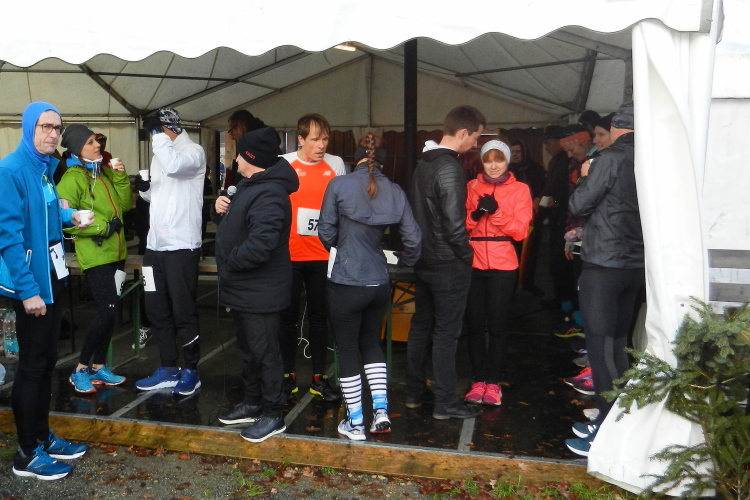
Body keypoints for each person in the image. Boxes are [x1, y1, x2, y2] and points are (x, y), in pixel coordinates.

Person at [0, 102, 90, 480]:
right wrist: (27, 290)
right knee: (33, 366)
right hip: (30, 282)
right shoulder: (11, 170)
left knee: (47, 360)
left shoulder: (44, 168)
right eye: (44, 127)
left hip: (51, 275)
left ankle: (41, 437)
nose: (52, 134)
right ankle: (27, 453)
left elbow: (45, 215)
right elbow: (8, 236)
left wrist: (70, 216)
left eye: (57, 127)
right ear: (28, 128)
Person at [318, 134, 421, 440]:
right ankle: (381, 413)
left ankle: (355, 422)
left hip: (347, 281)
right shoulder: (396, 191)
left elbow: (326, 232)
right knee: (371, 343)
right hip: (379, 281)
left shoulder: (338, 185)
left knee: (347, 347)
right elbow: (414, 238)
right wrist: (404, 261)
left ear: (356, 158)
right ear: (384, 162)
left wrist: (344, 247)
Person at [565, 102, 644, 456]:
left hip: (604, 264)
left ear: (615, 128)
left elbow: (578, 205)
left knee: (601, 349)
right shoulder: (651, 157)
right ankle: (619, 425)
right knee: (619, 345)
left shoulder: (610, 158)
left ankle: (607, 435)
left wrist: (585, 174)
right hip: (635, 265)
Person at [213, 127, 299, 443]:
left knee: (266, 353)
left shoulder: (270, 192)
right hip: (245, 288)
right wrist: (220, 211)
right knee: (249, 351)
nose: (235, 159)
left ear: (250, 157)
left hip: (260, 290)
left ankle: (273, 413)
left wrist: (229, 262)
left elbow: (262, 243)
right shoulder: (251, 186)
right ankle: (252, 403)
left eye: (239, 153)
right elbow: (240, 227)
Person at [406, 105, 485, 420]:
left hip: (423, 258)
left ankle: (414, 393)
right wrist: (466, 255)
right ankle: (445, 402)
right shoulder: (450, 167)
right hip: (447, 262)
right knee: (446, 333)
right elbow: (454, 224)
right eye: (475, 137)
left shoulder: (423, 163)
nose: (476, 144)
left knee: (421, 326)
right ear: (463, 132)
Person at [134, 108, 207, 396]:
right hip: (155, 246)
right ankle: (167, 366)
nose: (153, 136)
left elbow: (175, 167)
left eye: (156, 129)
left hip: (181, 247)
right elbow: (158, 194)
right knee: (156, 309)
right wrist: (144, 189)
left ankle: (191, 369)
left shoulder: (193, 152)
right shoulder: (160, 153)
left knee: (183, 310)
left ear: (168, 128)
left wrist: (157, 135)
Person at [57, 125, 133, 393]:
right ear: (78, 149)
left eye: (97, 140)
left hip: (116, 254)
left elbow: (125, 205)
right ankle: (80, 369)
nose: (97, 145)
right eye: (90, 142)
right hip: (96, 254)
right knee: (107, 310)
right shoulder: (72, 179)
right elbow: (64, 221)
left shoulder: (105, 173)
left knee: (110, 313)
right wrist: (102, 227)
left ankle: (99, 366)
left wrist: (121, 176)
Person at [279, 113, 346, 402]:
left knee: (320, 318)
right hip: (290, 256)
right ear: (301, 139)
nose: (321, 145)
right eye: (315, 139)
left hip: (322, 255)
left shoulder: (335, 164)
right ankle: (287, 377)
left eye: (325, 139)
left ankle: (319, 378)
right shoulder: (284, 164)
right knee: (287, 318)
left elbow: (343, 204)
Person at [463, 140, 532, 406]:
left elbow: (521, 232)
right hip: (474, 263)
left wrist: (497, 213)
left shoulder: (520, 189)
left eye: (499, 160)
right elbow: (462, 225)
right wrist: (476, 215)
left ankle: (493, 383)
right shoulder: (471, 187)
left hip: (503, 265)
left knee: (498, 326)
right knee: (474, 326)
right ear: (481, 162)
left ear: (507, 161)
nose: (493, 166)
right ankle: (478, 380)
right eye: (488, 160)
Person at [508, 139, 546, 296]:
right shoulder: (507, 170)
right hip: (511, 220)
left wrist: (539, 199)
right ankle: (511, 286)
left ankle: (528, 283)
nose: (515, 155)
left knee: (531, 252)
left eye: (518, 152)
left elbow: (545, 189)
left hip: (532, 219)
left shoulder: (536, 169)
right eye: (512, 152)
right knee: (512, 254)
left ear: (524, 153)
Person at [225, 110, 266, 188]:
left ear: (240, 128)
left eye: (231, 131)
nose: (232, 137)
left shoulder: (255, 148)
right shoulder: (264, 143)